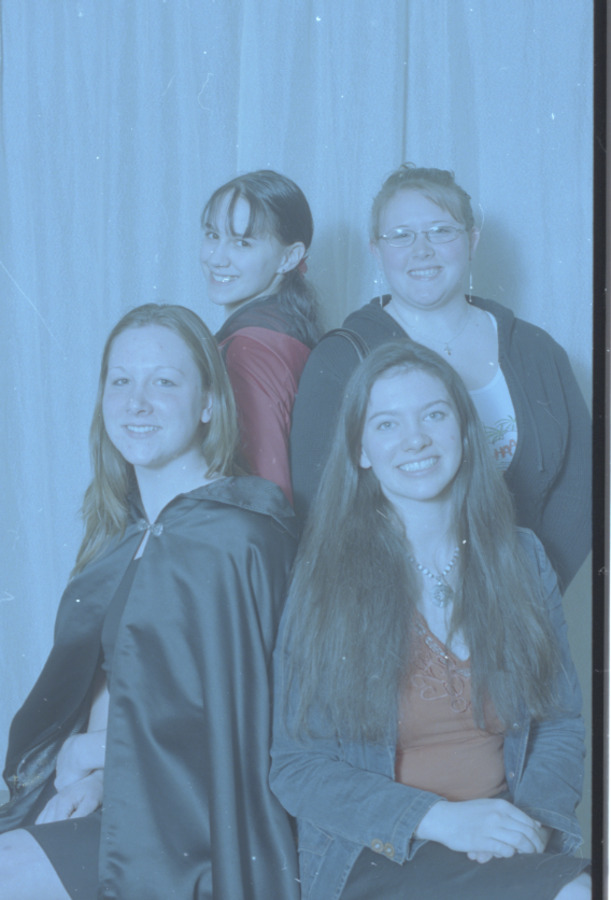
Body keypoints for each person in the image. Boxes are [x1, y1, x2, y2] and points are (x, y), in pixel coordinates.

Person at [0, 304, 300, 899]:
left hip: (199, 821)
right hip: (127, 789)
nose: (137, 403)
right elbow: (118, 674)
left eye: (164, 382)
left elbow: (237, 724)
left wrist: (92, 753)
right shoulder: (124, 535)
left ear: (209, 404)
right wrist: (97, 774)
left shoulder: (238, 537)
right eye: (121, 381)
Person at [271, 341, 590, 900]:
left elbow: (559, 722)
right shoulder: (325, 578)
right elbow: (298, 767)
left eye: (434, 415)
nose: (415, 439)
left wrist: (531, 825)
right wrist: (440, 820)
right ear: (361, 450)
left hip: (502, 840)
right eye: (387, 424)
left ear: (464, 431)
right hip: (381, 854)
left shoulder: (521, 557)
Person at [289, 164, 590, 591]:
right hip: (393, 600)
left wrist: (531, 589)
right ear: (376, 249)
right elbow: (321, 505)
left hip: (523, 597)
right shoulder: (342, 359)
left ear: (472, 240)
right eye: (401, 236)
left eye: (441, 231)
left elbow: (580, 485)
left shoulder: (537, 350)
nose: (422, 250)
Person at [201, 169, 322, 504]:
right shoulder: (281, 330)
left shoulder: (248, 351)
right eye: (212, 235)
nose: (216, 258)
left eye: (242, 242)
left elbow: (265, 496)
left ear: (289, 257)